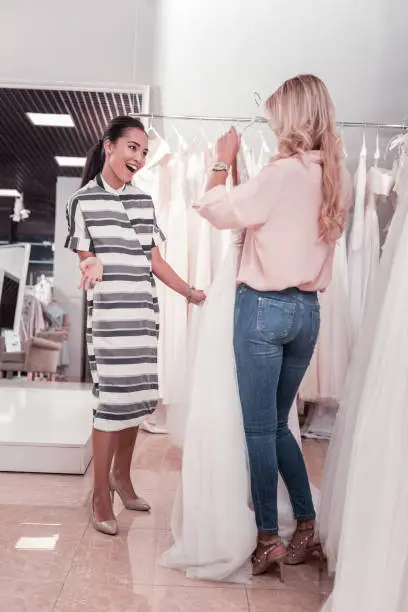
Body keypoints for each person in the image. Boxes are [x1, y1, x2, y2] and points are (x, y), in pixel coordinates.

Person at [194, 75, 352, 575]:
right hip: (307, 314)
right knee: (279, 424)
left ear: (294, 118)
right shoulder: (335, 174)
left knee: (259, 430)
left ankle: (268, 537)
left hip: (263, 308)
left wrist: (220, 164)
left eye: (276, 115)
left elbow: (216, 210)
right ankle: (305, 525)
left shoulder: (283, 172)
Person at [65, 116, 205, 536]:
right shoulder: (82, 202)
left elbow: (154, 261)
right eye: (132, 148)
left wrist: (189, 291)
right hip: (110, 318)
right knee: (110, 404)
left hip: (142, 317)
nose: (139, 158)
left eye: (144, 152)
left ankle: (122, 478)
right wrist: (90, 264)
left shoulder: (143, 201)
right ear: (108, 146)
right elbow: (84, 254)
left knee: (136, 401)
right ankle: (99, 495)